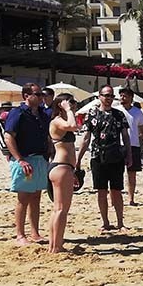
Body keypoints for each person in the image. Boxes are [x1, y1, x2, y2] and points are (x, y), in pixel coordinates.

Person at [77, 85, 132, 231]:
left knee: (116, 191)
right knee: (101, 191)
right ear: (99, 96)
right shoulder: (92, 114)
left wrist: (129, 155)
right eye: (106, 95)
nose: (108, 99)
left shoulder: (119, 114)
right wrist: (78, 158)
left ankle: (120, 222)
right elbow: (86, 138)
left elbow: (125, 136)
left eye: (111, 96)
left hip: (116, 156)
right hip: (97, 156)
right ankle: (105, 222)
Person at [4, 83, 51, 245]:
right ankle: (20, 235)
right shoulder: (18, 113)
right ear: (26, 96)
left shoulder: (43, 114)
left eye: (41, 95)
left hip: (39, 158)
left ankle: (35, 233)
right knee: (23, 197)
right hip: (25, 159)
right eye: (37, 94)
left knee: (36, 197)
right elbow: (8, 137)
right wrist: (19, 159)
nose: (41, 97)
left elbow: (47, 136)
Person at [47, 93, 79, 253]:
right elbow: (73, 126)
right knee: (61, 209)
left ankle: (54, 244)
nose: (73, 104)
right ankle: (56, 246)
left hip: (64, 167)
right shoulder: (58, 121)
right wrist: (68, 110)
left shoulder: (60, 120)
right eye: (70, 102)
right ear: (61, 104)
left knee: (57, 209)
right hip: (61, 167)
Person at [119, 88, 143, 206]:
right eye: (121, 95)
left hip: (134, 145)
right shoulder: (116, 110)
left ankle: (131, 198)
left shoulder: (137, 112)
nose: (122, 98)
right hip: (119, 145)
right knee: (116, 173)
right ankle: (115, 198)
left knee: (132, 174)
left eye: (125, 96)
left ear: (131, 98)